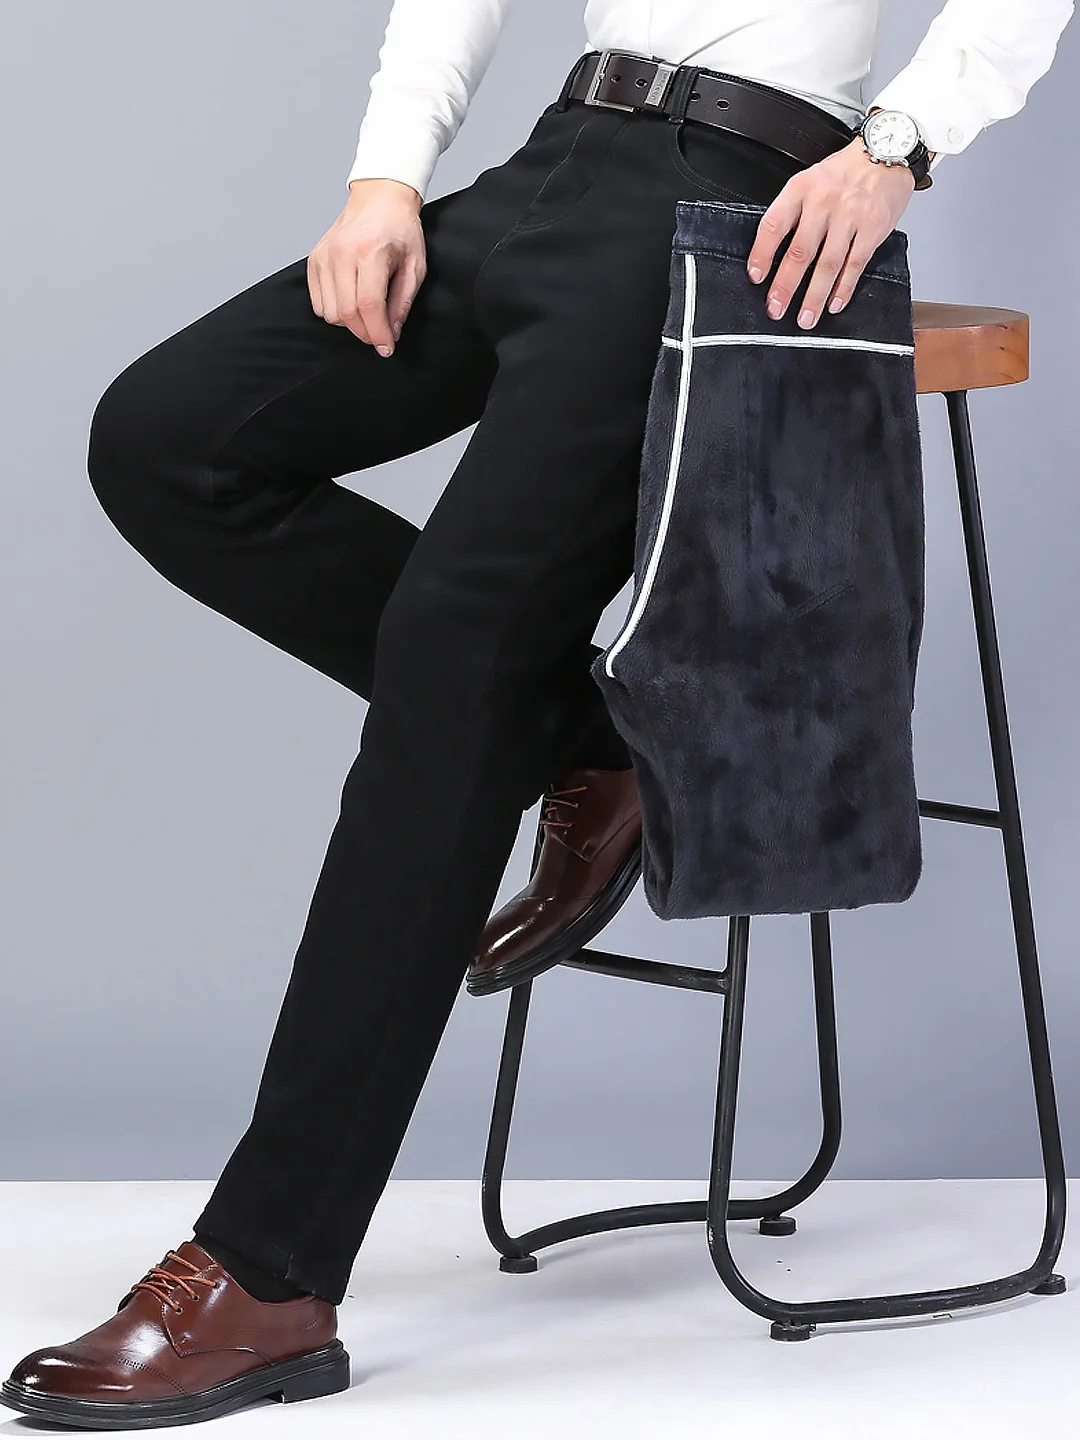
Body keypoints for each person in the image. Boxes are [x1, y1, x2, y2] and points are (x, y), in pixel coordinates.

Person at [1, 0, 1072, 1428]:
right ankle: (586, 735)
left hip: (736, 202)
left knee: (455, 656)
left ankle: (268, 1272)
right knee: (168, 439)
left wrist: (900, 146)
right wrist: (387, 174)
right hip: (557, 159)